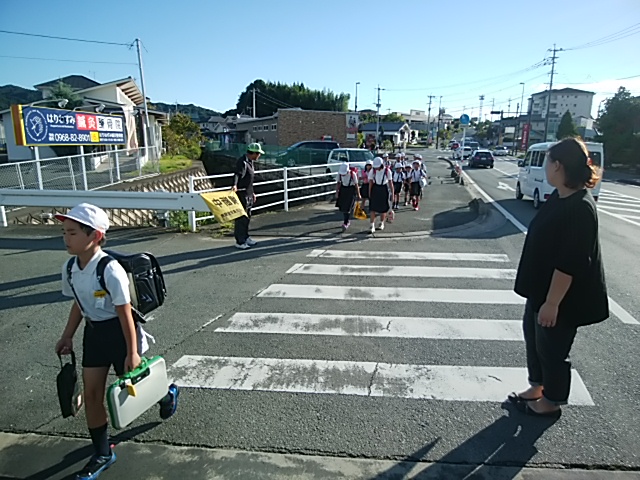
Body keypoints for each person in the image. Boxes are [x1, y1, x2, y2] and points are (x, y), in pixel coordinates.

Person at [54, 203, 179, 480]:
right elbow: (79, 303)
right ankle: (102, 453)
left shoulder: (110, 270)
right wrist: (67, 335)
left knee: (137, 387)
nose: (66, 238)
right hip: (94, 334)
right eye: (64, 232)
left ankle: (166, 392)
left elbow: (125, 314)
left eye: (72, 233)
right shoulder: (70, 268)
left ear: (95, 236)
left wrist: (132, 352)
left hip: (120, 333)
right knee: (92, 395)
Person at [509, 137, 608, 417]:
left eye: (548, 161)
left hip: (562, 297)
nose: (546, 167)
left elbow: (571, 262)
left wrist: (552, 302)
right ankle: (538, 386)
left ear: (558, 166)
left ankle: (551, 401)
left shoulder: (580, 207)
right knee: (535, 340)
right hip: (540, 290)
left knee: (552, 348)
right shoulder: (560, 196)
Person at [232, 143, 264, 250]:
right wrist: (235, 185)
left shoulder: (250, 162)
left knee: (247, 217)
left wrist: (253, 193)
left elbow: (250, 180)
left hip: (249, 193)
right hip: (242, 193)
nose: (259, 156)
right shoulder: (242, 162)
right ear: (253, 153)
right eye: (258, 154)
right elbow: (237, 174)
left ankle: (245, 237)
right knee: (241, 218)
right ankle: (240, 241)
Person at [368, 156, 394, 233]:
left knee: (383, 208)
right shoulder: (372, 171)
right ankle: (372, 225)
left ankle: (381, 223)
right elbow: (370, 182)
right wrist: (369, 193)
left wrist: (392, 194)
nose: (376, 168)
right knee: (373, 208)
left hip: (384, 189)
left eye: (378, 167)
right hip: (375, 188)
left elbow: (390, 183)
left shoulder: (387, 171)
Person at [335, 162, 361, 230]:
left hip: (351, 190)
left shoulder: (353, 174)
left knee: (348, 207)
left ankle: (346, 222)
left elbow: (356, 185)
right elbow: (338, 183)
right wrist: (337, 193)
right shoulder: (340, 174)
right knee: (343, 207)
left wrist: (359, 194)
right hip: (343, 190)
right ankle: (346, 220)